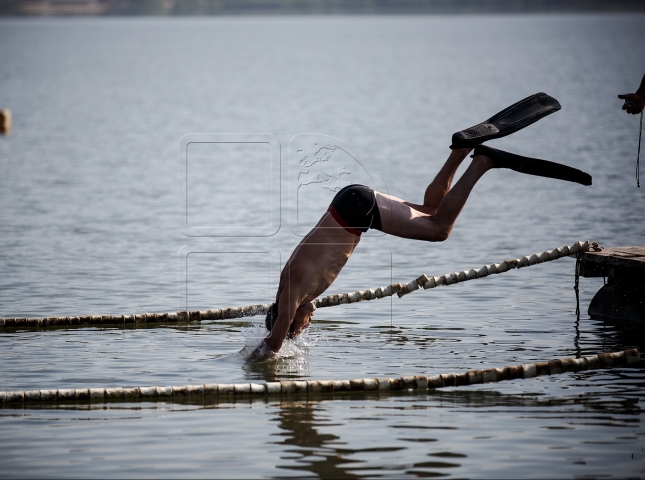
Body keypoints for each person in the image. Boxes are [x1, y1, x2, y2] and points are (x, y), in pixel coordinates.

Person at [248, 93, 592, 362]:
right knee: (432, 210)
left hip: (355, 211)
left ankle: (482, 163)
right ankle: (461, 150)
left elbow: (273, 345)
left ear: (290, 319)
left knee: (439, 228)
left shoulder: (290, 298)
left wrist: (243, 361)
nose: (305, 328)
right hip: (351, 204)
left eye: (299, 328)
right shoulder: (289, 289)